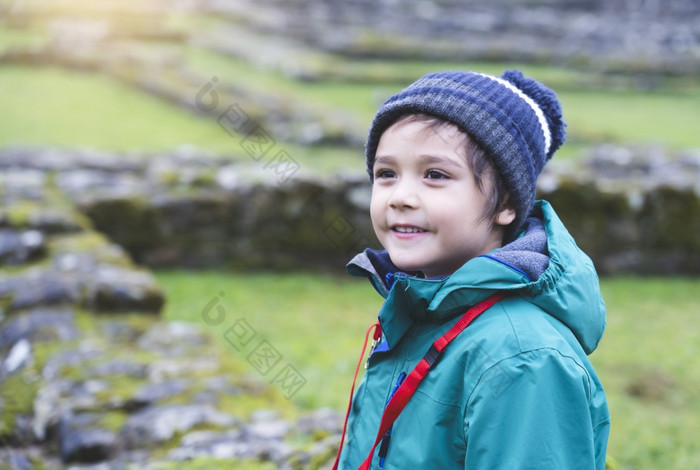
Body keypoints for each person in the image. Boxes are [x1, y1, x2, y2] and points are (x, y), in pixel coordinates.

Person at [335, 70, 610, 469]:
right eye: (386, 174)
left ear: (506, 205)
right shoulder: (422, 309)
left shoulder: (521, 358)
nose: (400, 197)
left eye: (435, 175)